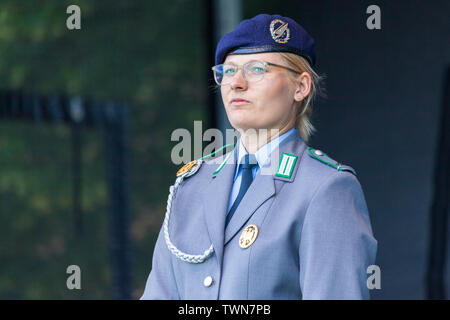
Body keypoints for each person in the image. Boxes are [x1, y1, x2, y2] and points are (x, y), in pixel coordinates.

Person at [141, 13, 377, 300]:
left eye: (256, 69)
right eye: (227, 71)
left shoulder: (325, 188)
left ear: (300, 87)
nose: (236, 83)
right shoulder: (190, 186)